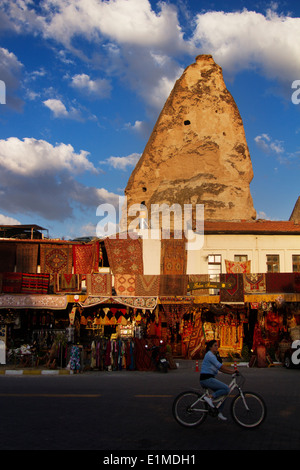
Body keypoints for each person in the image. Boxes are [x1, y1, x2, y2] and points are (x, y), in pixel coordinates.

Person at [200, 340, 237, 421]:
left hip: (209, 378)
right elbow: (221, 367)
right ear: (210, 347)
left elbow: (221, 369)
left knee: (223, 394)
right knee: (226, 389)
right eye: (215, 345)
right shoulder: (210, 355)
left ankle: (218, 412)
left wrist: (231, 373)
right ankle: (210, 397)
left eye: (217, 345)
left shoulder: (213, 355)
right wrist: (233, 371)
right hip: (206, 379)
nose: (217, 347)